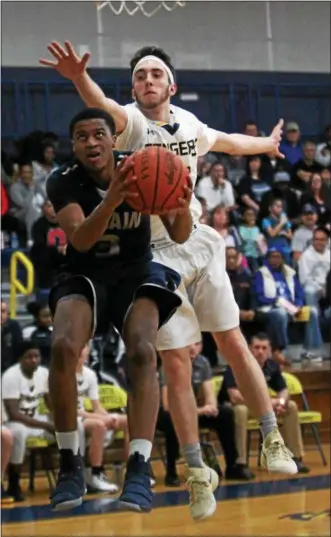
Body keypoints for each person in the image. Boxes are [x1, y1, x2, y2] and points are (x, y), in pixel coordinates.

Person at [40, 43, 297, 520]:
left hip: (194, 236)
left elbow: (227, 142)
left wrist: (266, 145)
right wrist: (78, 78)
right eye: (140, 76)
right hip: (153, 254)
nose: (148, 81)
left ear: (172, 85)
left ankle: (272, 438)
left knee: (233, 340)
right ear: (134, 87)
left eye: (157, 74)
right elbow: (103, 107)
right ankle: (198, 473)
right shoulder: (130, 125)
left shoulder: (191, 125)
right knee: (175, 363)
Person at [45, 108, 194, 513]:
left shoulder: (144, 165)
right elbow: (79, 241)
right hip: (85, 270)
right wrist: (112, 199)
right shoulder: (62, 180)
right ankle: (70, 462)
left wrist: (181, 205)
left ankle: (140, 467)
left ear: (114, 141)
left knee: (144, 352)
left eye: (98, 134)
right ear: (73, 145)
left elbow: (180, 235)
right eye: (81, 136)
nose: (91, 142)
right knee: (61, 347)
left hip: (134, 271)